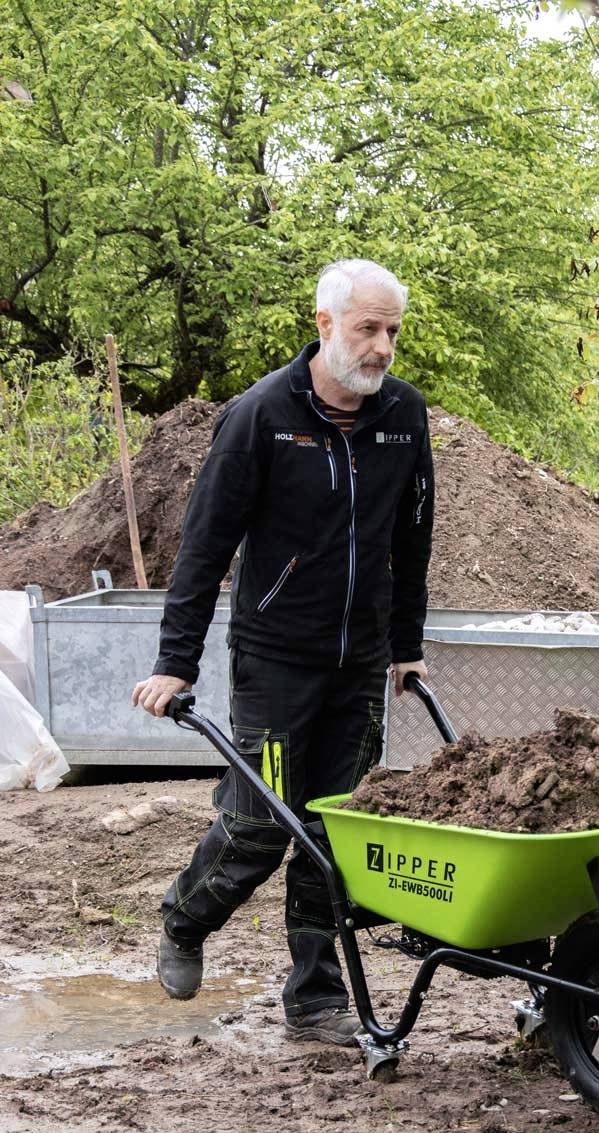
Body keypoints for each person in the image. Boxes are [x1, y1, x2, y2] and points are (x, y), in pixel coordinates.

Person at [132, 258, 433, 1045]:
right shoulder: (261, 416)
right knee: (263, 824)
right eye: (369, 329)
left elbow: (414, 538)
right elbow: (204, 547)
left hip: (361, 664)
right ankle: (186, 917)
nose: (383, 347)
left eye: (393, 331)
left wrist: (406, 646)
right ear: (325, 324)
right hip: (275, 660)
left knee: (334, 832)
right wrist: (175, 662)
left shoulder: (404, 415)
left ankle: (316, 1000)